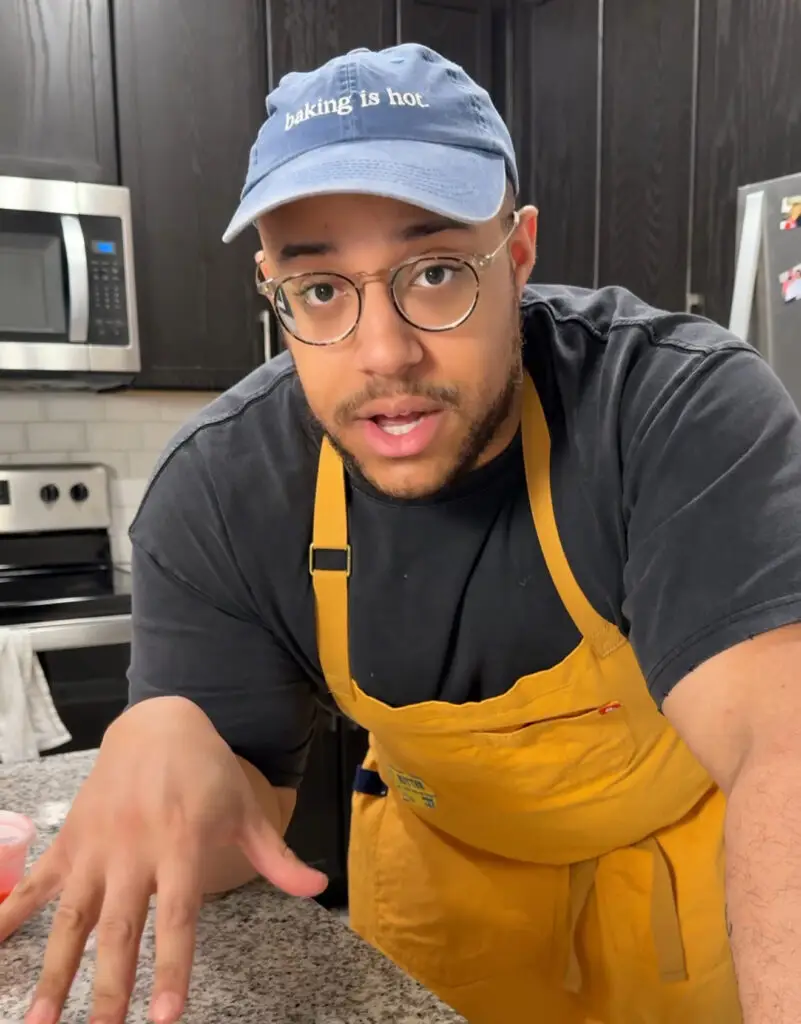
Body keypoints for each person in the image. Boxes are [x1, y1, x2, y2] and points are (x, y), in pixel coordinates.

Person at [3, 42, 801, 1024]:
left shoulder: (673, 405)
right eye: (322, 290)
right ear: (274, 291)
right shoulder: (223, 492)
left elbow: (785, 744)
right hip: (445, 905)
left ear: (516, 254)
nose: (384, 353)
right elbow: (239, 832)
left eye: (434, 272)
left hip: (687, 897)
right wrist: (177, 751)